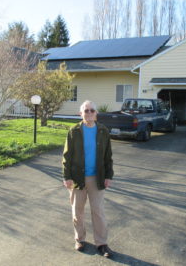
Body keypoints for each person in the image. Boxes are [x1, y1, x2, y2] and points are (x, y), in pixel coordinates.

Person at [62, 100, 114, 258]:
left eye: (92, 110)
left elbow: (108, 156)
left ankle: (102, 243)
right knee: (77, 211)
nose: (89, 113)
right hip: (78, 177)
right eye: (86, 111)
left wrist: (108, 175)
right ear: (81, 114)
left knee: (98, 211)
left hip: (96, 178)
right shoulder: (74, 131)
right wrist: (67, 177)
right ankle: (80, 239)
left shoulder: (103, 131)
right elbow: (67, 156)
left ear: (96, 114)